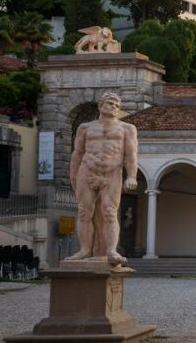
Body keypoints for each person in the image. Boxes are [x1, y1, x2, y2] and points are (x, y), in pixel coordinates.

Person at [64, 92, 138, 265]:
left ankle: (111, 250)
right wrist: (73, 175)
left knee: (110, 212)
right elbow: (77, 153)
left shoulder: (127, 128)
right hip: (87, 170)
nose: (114, 107)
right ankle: (84, 250)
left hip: (112, 173)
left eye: (117, 105)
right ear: (100, 105)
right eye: (110, 103)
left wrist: (132, 176)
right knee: (84, 211)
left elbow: (131, 154)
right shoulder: (85, 127)